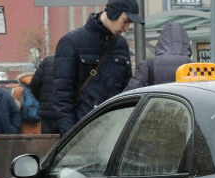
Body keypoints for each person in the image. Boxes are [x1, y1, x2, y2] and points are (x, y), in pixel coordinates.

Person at [53, 0, 142, 135]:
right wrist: (70, 137)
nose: (126, 28)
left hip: (113, 133)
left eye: (129, 23)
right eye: (125, 21)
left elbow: (126, 90)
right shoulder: (72, 42)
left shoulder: (121, 45)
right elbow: (62, 96)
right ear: (113, 13)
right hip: (82, 132)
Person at [124, 21, 192, 91]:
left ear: (162, 40)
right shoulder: (194, 66)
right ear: (185, 40)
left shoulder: (149, 65)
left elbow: (130, 92)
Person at [30, 55, 59, 134]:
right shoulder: (72, 60)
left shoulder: (47, 61)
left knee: (47, 144)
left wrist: (42, 100)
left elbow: (34, 84)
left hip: (47, 115)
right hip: (65, 113)